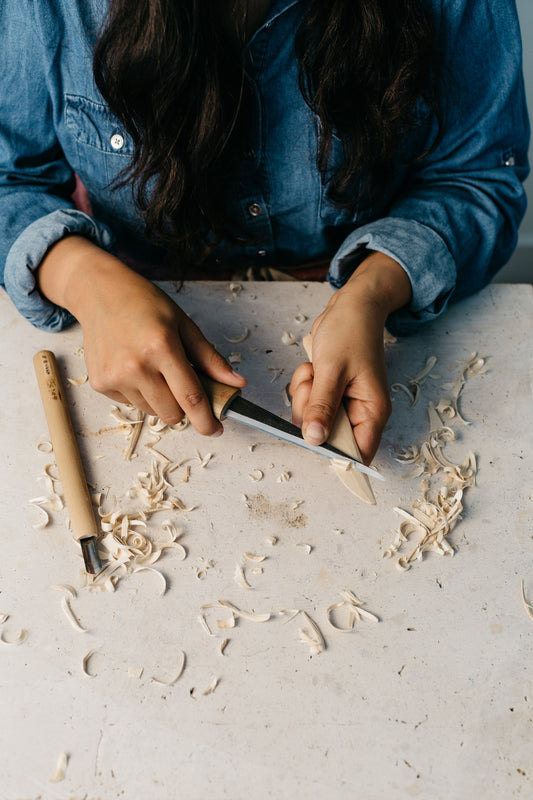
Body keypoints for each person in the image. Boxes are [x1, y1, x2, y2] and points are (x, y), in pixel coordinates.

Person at [0, 0, 529, 465]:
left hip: (349, 284)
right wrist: (85, 281)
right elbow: (10, 179)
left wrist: (375, 290)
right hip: (129, 298)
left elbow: (477, 176)